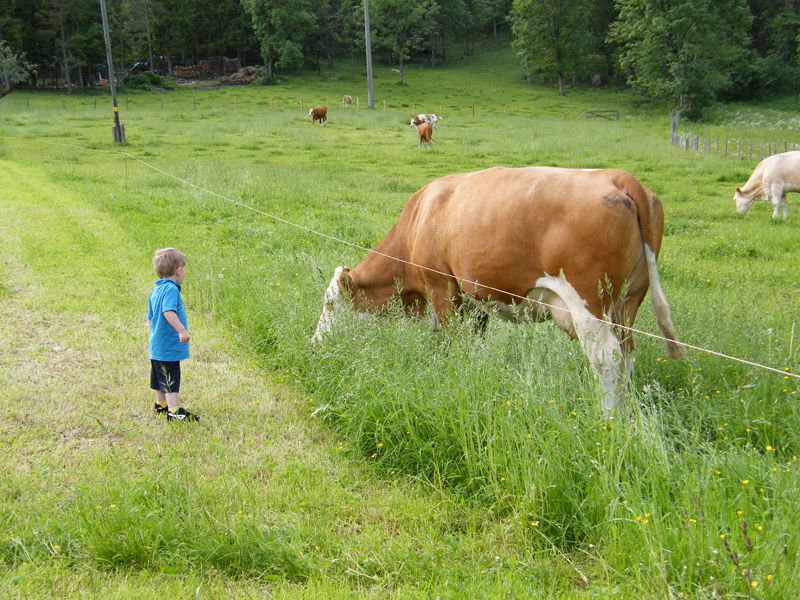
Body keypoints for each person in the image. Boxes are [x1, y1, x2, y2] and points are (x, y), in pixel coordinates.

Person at [147, 248, 199, 422]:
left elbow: (150, 317)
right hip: (168, 345)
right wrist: (181, 330)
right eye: (184, 269)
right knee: (170, 377)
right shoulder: (171, 290)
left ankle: (160, 405)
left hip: (156, 344)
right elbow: (168, 312)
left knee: (158, 376)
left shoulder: (155, 290)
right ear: (178, 270)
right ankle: (174, 412)